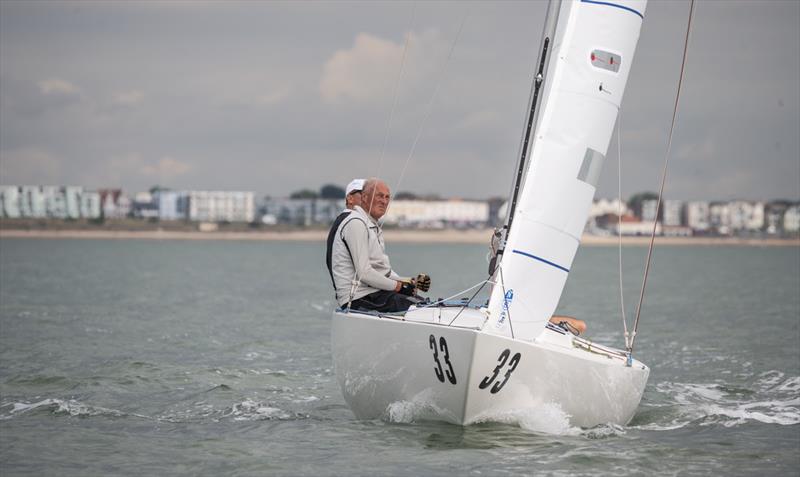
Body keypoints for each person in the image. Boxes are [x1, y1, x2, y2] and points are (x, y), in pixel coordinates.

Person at [330, 178, 430, 313]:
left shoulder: (368, 224)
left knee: (424, 304)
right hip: (359, 298)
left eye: (387, 197)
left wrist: (408, 282)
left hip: (371, 294)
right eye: (379, 196)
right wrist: (399, 286)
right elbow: (364, 273)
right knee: (423, 309)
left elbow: (379, 271)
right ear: (364, 197)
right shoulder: (355, 222)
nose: (384, 201)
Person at [325, 179, 364, 287]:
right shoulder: (353, 221)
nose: (368, 199)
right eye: (363, 194)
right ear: (350, 199)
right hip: (357, 295)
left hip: (351, 291)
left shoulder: (345, 219)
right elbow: (365, 270)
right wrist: (396, 285)